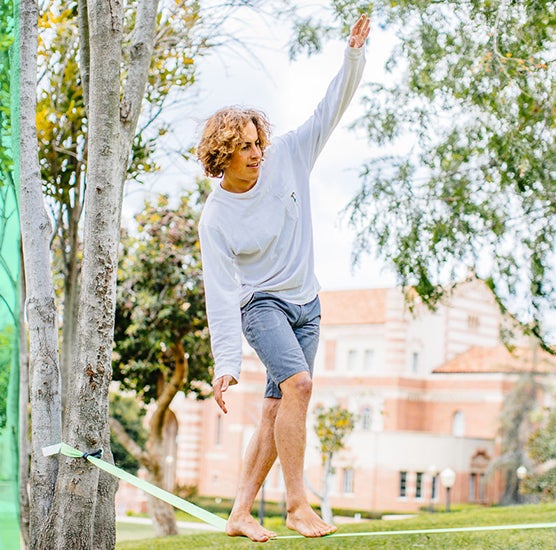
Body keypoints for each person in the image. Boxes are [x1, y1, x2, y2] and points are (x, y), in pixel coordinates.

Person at [197, 14, 370, 542]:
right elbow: (222, 295)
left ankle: (239, 514)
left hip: (307, 305)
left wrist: (353, 56)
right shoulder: (217, 217)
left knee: (278, 406)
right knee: (300, 385)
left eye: (257, 141)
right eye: (245, 146)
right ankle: (297, 505)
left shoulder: (289, 156)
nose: (257, 152)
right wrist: (226, 363)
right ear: (222, 154)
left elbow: (329, 111)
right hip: (261, 306)